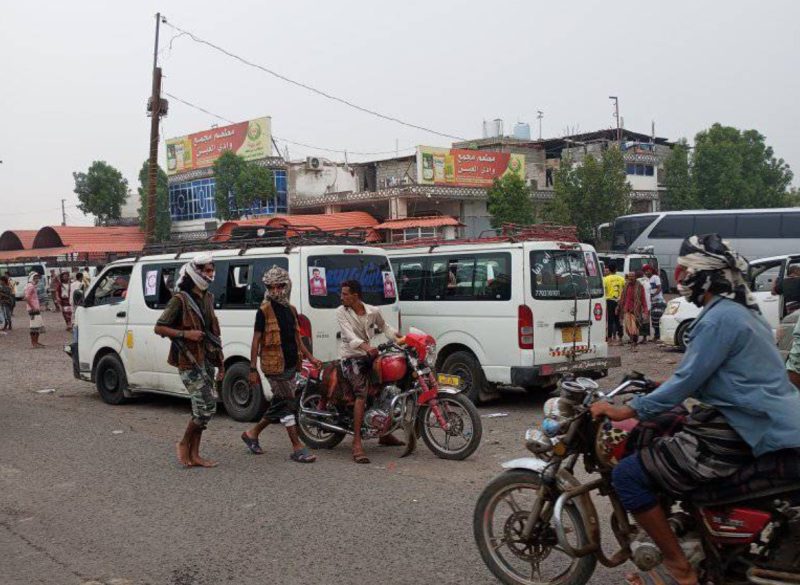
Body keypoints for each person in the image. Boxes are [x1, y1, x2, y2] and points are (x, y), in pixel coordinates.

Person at [591, 234, 800, 585]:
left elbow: (689, 376)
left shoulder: (720, 319)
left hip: (740, 428)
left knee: (629, 475)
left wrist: (628, 411)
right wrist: (663, 390)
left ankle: (678, 566)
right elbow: (718, 377)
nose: (681, 278)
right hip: (764, 418)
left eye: (687, 270)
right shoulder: (742, 313)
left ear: (705, 276)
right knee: (671, 428)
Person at [240, 266, 321, 463]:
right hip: (273, 366)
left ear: (287, 286)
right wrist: (252, 369)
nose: (276, 291)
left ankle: (252, 434)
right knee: (287, 404)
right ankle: (297, 447)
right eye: (271, 287)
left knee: (279, 402)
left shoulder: (291, 310)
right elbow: (256, 340)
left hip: (292, 363)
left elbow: (297, 338)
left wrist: (310, 357)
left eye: (280, 286)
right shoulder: (264, 311)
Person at [154, 254, 225, 468]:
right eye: (206, 270)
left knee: (200, 410)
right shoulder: (180, 299)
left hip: (207, 359)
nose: (210, 274)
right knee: (206, 408)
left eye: (212, 270)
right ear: (195, 271)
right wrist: (186, 335)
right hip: (188, 359)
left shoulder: (208, 297)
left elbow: (214, 332)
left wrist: (221, 363)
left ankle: (195, 454)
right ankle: (184, 443)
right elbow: (159, 327)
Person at [336, 279, 405, 464]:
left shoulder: (373, 311)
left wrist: (401, 338)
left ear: (355, 296)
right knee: (362, 394)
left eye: (344, 294)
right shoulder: (341, 312)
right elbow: (349, 335)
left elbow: (386, 328)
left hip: (369, 356)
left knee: (387, 389)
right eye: (342, 294)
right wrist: (366, 347)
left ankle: (384, 434)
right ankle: (357, 442)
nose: (341, 297)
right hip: (350, 357)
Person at [618, 272, 648, 351]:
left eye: (632, 276)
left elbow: (643, 299)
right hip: (627, 309)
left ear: (635, 277)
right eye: (629, 276)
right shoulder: (626, 285)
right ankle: (632, 343)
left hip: (636, 310)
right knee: (628, 329)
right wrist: (618, 307)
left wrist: (645, 310)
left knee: (634, 329)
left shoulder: (640, 286)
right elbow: (622, 297)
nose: (631, 278)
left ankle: (634, 344)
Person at [643, 265, 666, 341]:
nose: (646, 272)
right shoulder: (646, 279)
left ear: (651, 270)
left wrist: (654, 295)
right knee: (654, 320)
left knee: (658, 319)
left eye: (648, 270)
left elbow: (659, 287)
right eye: (645, 271)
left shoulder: (655, 277)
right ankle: (656, 336)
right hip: (652, 302)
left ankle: (658, 336)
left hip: (658, 301)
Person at [603, 265, 625, 344]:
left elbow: (604, 290)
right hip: (619, 301)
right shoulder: (621, 279)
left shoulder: (605, 279)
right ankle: (620, 338)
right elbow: (624, 289)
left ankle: (609, 338)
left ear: (609, 270)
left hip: (610, 301)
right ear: (616, 270)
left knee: (610, 320)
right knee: (618, 320)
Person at [24, 272, 45, 348]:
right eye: (35, 278)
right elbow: (26, 298)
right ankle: (34, 343)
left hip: (35, 308)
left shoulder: (31, 286)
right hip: (33, 309)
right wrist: (33, 307)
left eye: (37, 278)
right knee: (34, 327)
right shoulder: (30, 286)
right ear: (31, 278)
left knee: (37, 326)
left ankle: (36, 342)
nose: (37, 279)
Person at [636, 270, 652, 343]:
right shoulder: (647, 281)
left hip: (640, 305)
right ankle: (645, 338)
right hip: (648, 305)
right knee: (646, 321)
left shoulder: (637, 282)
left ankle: (636, 337)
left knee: (638, 321)